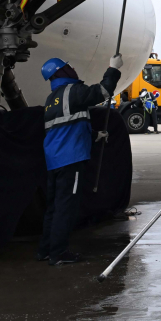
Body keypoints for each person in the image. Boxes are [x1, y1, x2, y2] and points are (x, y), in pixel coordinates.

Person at [38, 54, 122, 265]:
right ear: (61, 72)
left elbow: (68, 128)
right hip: (71, 160)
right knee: (66, 207)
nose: (72, 68)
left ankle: (45, 250)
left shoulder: (52, 99)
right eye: (68, 66)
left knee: (54, 207)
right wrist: (113, 68)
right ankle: (59, 254)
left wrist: (95, 135)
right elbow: (102, 92)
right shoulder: (72, 91)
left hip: (54, 161)